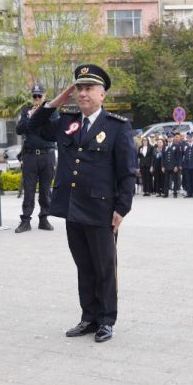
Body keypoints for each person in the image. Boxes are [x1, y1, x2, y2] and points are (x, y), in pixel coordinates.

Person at [27, 64, 136, 343]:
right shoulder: (67, 120)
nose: (83, 93)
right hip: (72, 207)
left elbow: (127, 173)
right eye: (80, 88)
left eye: (89, 89)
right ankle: (88, 317)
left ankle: (106, 320)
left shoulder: (116, 127)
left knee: (104, 267)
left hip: (101, 210)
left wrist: (121, 208)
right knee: (83, 265)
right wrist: (57, 100)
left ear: (102, 95)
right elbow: (31, 125)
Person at [15, 87, 58, 232]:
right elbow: (19, 129)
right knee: (29, 189)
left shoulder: (51, 110)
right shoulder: (26, 111)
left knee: (46, 189)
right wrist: (30, 117)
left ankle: (44, 219)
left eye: (40, 96)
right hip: (30, 155)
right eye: (35, 96)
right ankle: (26, 220)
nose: (37, 99)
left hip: (47, 154)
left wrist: (40, 115)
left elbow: (52, 130)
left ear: (44, 96)